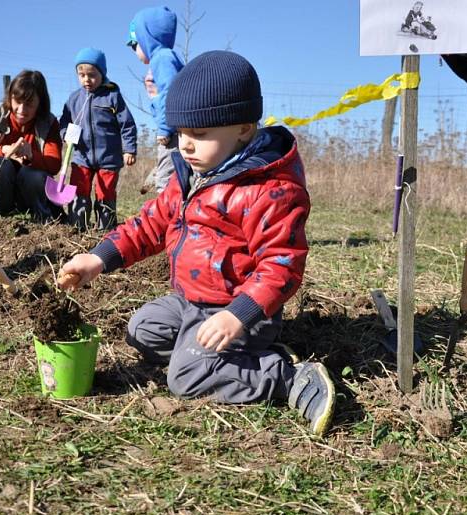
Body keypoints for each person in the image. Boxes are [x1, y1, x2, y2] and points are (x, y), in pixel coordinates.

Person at [58, 51, 335, 436]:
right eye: (182, 133)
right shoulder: (190, 176)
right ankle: (222, 358)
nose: (186, 145)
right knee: (142, 329)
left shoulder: (269, 190)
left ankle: (285, 376)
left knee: (184, 377)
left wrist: (238, 315)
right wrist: (98, 259)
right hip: (191, 300)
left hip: (239, 311)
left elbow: (282, 265)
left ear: (242, 128)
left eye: (200, 135)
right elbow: (150, 225)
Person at [59, 48, 137, 231]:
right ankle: (78, 226)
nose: (87, 79)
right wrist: (65, 135)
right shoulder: (74, 99)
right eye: (82, 75)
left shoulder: (112, 96)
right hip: (81, 157)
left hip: (108, 158)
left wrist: (129, 149)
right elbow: (63, 121)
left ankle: (105, 229)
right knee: (80, 189)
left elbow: (127, 124)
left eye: (92, 75)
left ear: (102, 73)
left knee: (105, 193)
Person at [0, 70, 64, 222]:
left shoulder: (48, 123)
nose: (21, 110)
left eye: (30, 104)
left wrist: (31, 155)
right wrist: (2, 150)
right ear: (10, 97)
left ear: (40, 103)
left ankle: (42, 217)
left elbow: (54, 164)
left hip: (30, 193)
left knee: (32, 174)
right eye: (17, 101)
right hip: (0, 190)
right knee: (3, 167)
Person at [126, 6, 184, 195]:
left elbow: (170, 91)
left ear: (146, 39)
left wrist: (165, 127)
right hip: (174, 128)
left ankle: (166, 218)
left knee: (166, 179)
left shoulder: (162, 59)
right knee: (172, 174)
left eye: (134, 44)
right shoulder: (164, 58)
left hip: (172, 131)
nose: (134, 50)